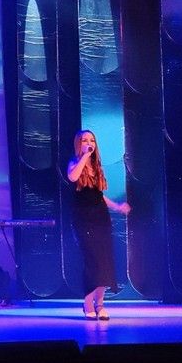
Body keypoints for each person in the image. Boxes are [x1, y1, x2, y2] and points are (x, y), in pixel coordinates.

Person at [67, 130, 130, 320]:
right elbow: (73, 177)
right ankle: (88, 303)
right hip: (83, 218)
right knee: (92, 261)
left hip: (101, 217)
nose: (89, 143)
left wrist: (117, 206)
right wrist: (85, 156)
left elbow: (99, 196)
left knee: (104, 261)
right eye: (85, 140)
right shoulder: (75, 163)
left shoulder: (96, 167)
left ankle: (100, 304)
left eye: (92, 140)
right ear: (78, 144)